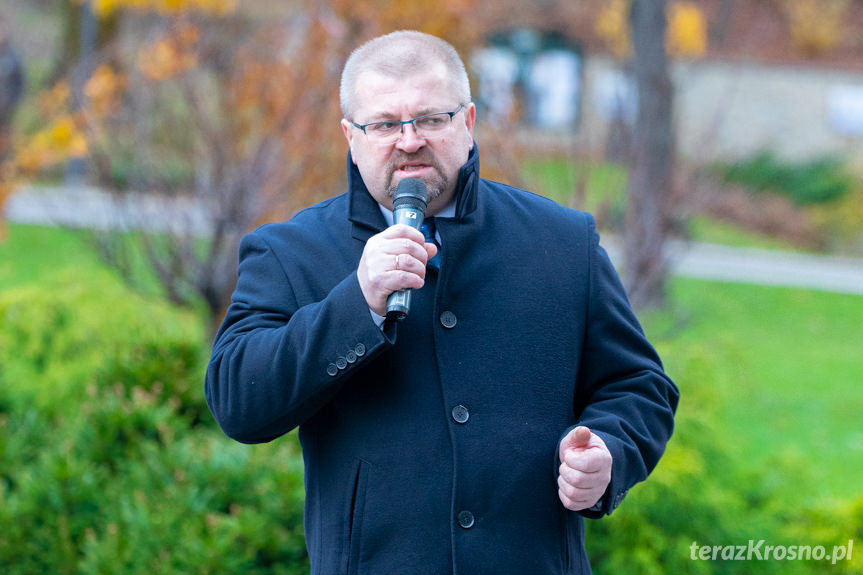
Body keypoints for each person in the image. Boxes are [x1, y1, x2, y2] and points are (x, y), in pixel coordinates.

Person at [206, 30, 678, 575]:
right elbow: (238, 400)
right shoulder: (290, 251)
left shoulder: (563, 242)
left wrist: (609, 454)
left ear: (469, 123)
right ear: (350, 137)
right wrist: (357, 304)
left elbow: (641, 386)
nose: (409, 141)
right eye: (384, 124)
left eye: (431, 119)